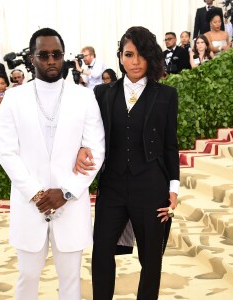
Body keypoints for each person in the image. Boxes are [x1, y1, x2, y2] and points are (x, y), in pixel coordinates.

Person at [0, 27, 105, 300]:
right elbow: (7, 153)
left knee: (70, 280)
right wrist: (36, 193)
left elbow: (96, 151)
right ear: (32, 59)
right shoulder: (14, 98)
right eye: (43, 55)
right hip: (28, 205)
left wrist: (66, 192)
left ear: (63, 57)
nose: (51, 60)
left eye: (56, 54)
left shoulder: (83, 96)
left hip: (70, 205)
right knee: (27, 278)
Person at [75, 26, 180, 300]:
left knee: (151, 258)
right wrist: (81, 148)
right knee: (101, 251)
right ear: (120, 56)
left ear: (151, 57)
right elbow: (88, 134)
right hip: (112, 186)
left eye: (142, 55)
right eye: (129, 54)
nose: (136, 62)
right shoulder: (102, 94)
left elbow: (170, 144)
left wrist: (174, 187)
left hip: (152, 186)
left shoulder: (167, 96)